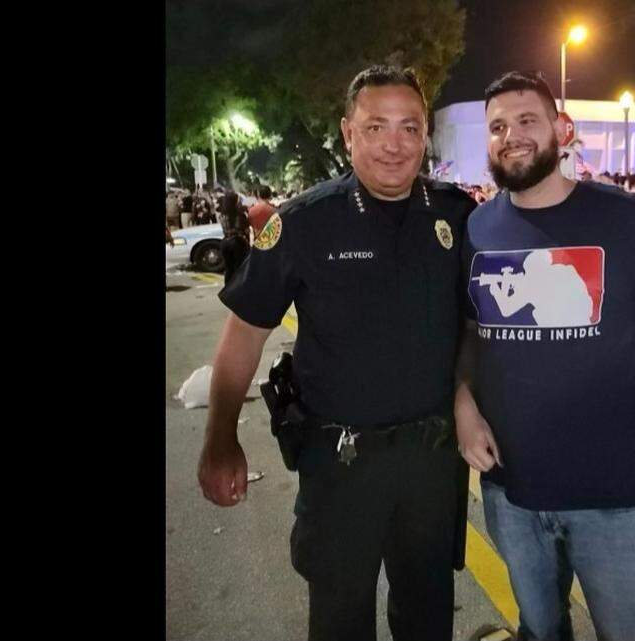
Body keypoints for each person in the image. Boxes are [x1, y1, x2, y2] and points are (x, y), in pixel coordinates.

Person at [455, 71, 635, 641]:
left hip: (615, 496)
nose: (510, 135)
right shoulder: (478, 227)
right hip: (512, 491)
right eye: (497, 127)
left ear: (561, 130)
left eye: (526, 121)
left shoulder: (626, 218)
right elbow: (472, 330)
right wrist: (464, 403)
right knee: (541, 631)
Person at [196, 65, 477, 641]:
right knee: (340, 619)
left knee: (427, 616)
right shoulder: (301, 223)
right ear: (348, 133)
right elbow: (244, 334)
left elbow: (480, 322)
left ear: (426, 135)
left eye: (409, 127)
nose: (394, 145)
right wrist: (221, 438)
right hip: (341, 465)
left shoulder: (455, 213)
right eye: (375, 127)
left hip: (432, 463)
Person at [217, 190, 250, 284]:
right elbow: (246, 230)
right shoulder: (240, 215)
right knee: (238, 267)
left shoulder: (222, 214)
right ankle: (237, 289)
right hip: (237, 242)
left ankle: (227, 289)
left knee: (228, 268)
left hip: (225, 242)